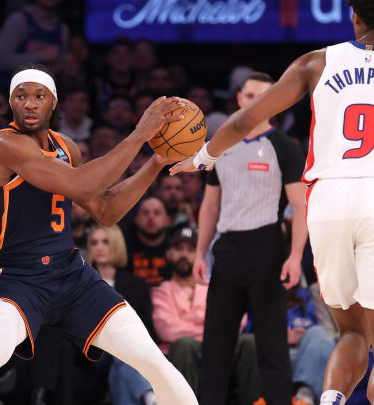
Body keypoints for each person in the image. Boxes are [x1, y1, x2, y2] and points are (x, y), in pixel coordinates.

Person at [0, 63, 197, 405]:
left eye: (39, 96)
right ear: (10, 104)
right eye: (21, 96)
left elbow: (106, 211)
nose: (30, 103)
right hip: (15, 276)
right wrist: (138, 135)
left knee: (154, 361)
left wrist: (156, 161)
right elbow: (80, 183)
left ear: (53, 103)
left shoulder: (67, 147)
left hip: (71, 276)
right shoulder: (4, 144)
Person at [170, 2, 374, 403]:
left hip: (328, 201)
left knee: (352, 331)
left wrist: (202, 158)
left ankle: (329, 399)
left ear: (355, 18)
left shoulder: (315, 62)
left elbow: (242, 120)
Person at [183, 72, 308, 405]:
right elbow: (210, 204)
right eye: (249, 96)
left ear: (276, 102)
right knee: (215, 348)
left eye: (263, 96)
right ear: (238, 99)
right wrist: (200, 253)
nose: (255, 102)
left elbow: (300, 205)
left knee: (272, 349)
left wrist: (295, 256)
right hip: (227, 250)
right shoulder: (220, 144)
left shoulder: (284, 146)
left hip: (268, 248)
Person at [152, 227, 262, 404]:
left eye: (191, 249)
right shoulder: (161, 291)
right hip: (185, 353)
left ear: (200, 255)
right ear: (168, 254)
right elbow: (167, 330)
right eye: (179, 249)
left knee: (249, 341)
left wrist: (190, 321)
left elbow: (237, 321)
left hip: (221, 348)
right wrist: (208, 323)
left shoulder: (217, 286)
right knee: (185, 344)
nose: (184, 255)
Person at [86, 224, 156, 405]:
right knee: (122, 348)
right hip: (95, 351)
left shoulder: (136, 284)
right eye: (94, 243)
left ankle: (147, 396)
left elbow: (146, 324)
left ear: (117, 245)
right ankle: (149, 394)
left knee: (120, 373)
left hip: (127, 353)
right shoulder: (81, 285)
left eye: (105, 242)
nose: (99, 247)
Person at [125, 196, 172, 286]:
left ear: (168, 220)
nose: (151, 217)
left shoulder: (176, 246)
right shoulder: (124, 248)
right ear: (136, 219)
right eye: (145, 213)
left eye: (157, 213)